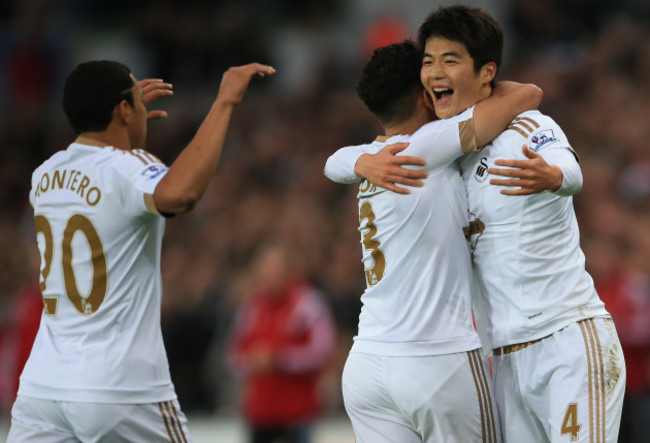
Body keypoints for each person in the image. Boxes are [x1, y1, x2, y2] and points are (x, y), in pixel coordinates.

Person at [335, 5, 627, 442]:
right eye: (428, 61)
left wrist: (555, 176)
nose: (435, 72)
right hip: (505, 358)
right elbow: (344, 155)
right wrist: (359, 160)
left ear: (486, 71)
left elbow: (566, 164)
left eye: (450, 60)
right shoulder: (441, 152)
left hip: (566, 336)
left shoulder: (525, 125)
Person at [7, 59, 276, 442]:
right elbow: (180, 193)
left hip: (43, 388)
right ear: (123, 110)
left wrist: (127, 119)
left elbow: (101, 184)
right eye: (134, 98)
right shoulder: (128, 166)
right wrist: (224, 103)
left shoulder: (44, 175)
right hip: (119, 388)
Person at [324, 40, 543, 442]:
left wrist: (356, 161)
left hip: (368, 363)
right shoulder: (429, 146)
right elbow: (528, 95)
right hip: (436, 359)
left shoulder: (371, 157)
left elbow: (332, 162)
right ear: (425, 95)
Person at [226, 241, 336, 443]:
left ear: (289, 269)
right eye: (265, 268)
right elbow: (233, 357)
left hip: (297, 411)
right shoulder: (252, 307)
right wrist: (252, 361)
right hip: (260, 411)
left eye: (276, 267)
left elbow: (323, 351)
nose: (269, 274)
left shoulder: (308, 303)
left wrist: (280, 359)